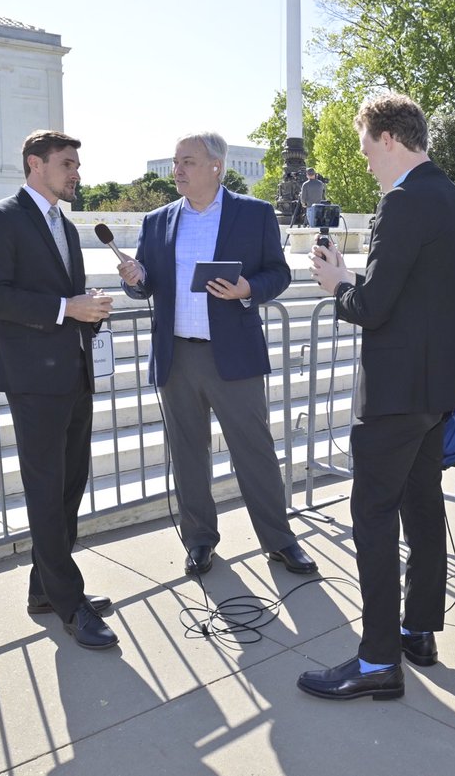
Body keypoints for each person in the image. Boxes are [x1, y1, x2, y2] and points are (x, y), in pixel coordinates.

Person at [298, 93, 455, 701]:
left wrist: (335, 287)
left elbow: (374, 308)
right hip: (439, 387)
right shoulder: (454, 197)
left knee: (373, 516)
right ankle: (418, 630)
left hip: (398, 392)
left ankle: (378, 662)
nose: (366, 162)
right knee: (423, 507)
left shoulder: (401, 203)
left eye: (367, 149)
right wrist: (355, 277)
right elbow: (416, 293)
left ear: (390, 140)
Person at [117, 132, 317, 578]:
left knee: (255, 453)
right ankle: (200, 541)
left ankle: (280, 542)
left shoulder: (254, 214)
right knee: (188, 454)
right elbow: (144, 286)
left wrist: (249, 289)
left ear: (215, 166)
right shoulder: (157, 221)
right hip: (177, 358)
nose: (177, 170)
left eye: (187, 161)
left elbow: (277, 273)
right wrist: (134, 277)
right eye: (175, 162)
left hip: (234, 356)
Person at [0, 130, 119, 650]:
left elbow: (66, 298)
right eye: (67, 163)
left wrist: (89, 308)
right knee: (46, 490)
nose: (76, 172)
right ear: (35, 164)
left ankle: (44, 590)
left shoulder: (66, 224)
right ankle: (69, 602)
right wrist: (65, 309)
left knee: (69, 485)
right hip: (33, 378)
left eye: (76, 164)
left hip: (73, 371)